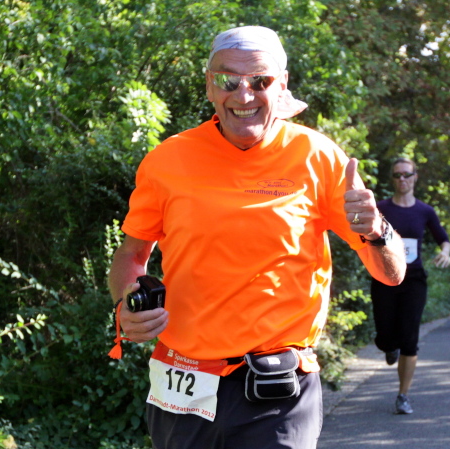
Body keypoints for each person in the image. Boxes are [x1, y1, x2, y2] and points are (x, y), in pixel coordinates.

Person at [108, 25, 406, 449]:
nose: (244, 95)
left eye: (260, 81)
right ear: (210, 86)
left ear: (281, 85)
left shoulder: (318, 157)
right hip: (183, 385)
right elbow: (132, 254)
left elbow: (392, 274)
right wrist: (125, 304)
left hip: (277, 391)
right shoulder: (168, 159)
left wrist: (376, 229)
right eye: (228, 80)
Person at [370, 157, 450, 415]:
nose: (402, 179)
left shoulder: (425, 211)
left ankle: (403, 395)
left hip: (414, 280)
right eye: (397, 175)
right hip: (384, 278)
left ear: (415, 177)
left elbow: (443, 239)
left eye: (406, 174)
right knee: (385, 336)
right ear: (392, 179)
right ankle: (388, 346)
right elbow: (362, 232)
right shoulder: (381, 208)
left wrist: (445, 253)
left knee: (410, 338)